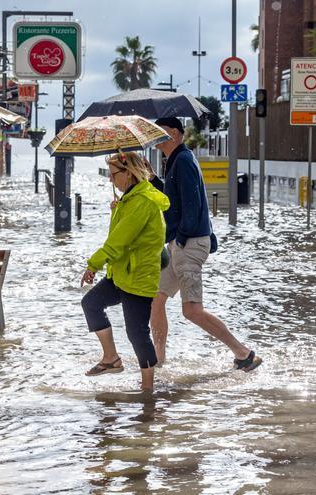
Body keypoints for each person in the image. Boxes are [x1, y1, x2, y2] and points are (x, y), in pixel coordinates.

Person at [151, 117, 263, 372]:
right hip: (180, 243)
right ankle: (157, 362)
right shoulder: (175, 161)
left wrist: (180, 238)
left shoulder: (184, 161)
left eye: (164, 132)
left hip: (187, 243)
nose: (159, 137)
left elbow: (192, 205)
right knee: (155, 300)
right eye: (157, 133)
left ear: (177, 134)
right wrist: (152, 179)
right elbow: (171, 199)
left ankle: (244, 353)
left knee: (191, 310)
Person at [81, 151, 171, 391]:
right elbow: (118, 236)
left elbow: (118, 242)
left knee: (136, 332)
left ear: (128, 173)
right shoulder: (130, 200)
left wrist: (93, 264)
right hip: (121, 274)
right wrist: (115, 211)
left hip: (138, 276)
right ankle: (111, 358)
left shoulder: (142, 202)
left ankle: (148, 389)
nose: (111, 180)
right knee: (91, 303)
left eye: (113, 175)